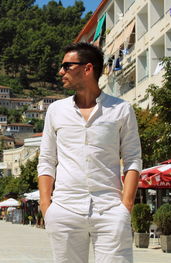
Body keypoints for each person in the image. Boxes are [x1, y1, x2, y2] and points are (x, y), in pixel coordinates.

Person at [37, 42, 142, 263]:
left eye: (67, 66)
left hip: (110, 209)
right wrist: (47, 207)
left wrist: (126, 206)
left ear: (87, 68)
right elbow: (47, 160)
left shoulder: (121, 109)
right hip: (65, 209)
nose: (61, 71)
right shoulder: (56, 111)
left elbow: (133, 159)